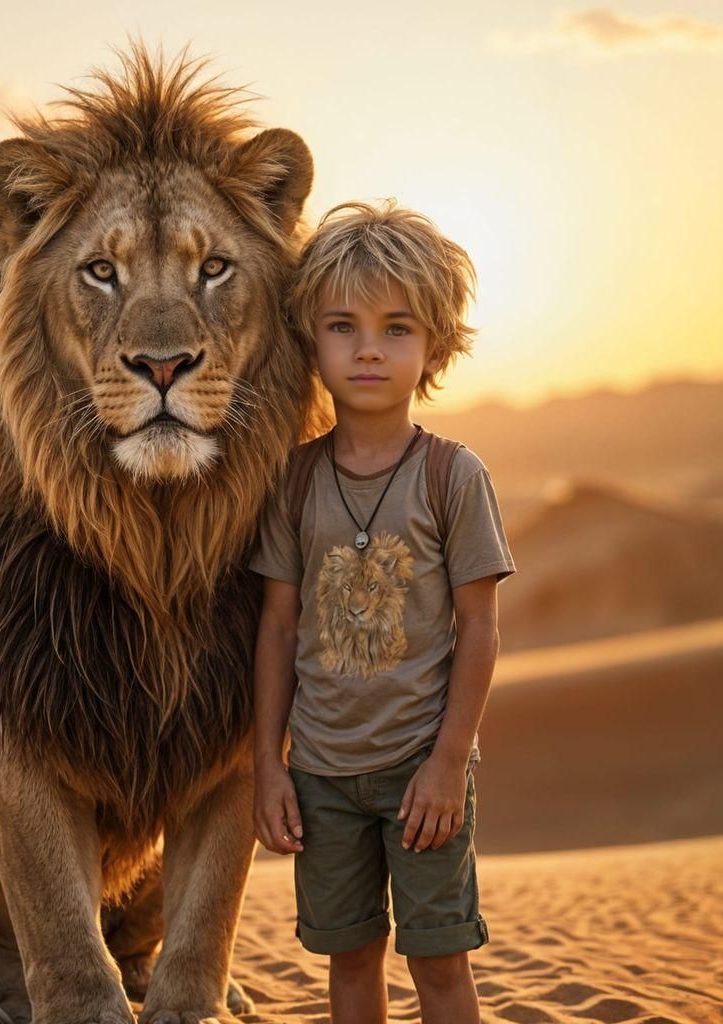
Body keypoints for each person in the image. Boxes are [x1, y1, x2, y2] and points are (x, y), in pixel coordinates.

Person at [250, 200, 516, 1024]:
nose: (369, 348)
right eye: (343, 326)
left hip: (420, 774)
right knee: (350, 963)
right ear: (311, 342)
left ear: (434, 345)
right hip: (321, 776)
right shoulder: (291, 482)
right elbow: (279, 628)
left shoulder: (452, 477)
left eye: (397, 328)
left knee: (440, 966)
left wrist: (448, 762)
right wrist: (268, 764)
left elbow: (480, 629)